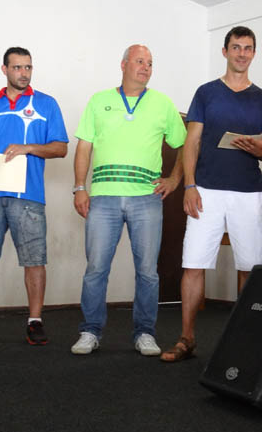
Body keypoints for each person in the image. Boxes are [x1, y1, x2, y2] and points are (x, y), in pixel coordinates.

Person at [161, 26, 262, 362]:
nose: (242, 53)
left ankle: (244, 344)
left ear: (254, 53)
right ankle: (187, 339)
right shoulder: (206, 92)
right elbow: (192, 142)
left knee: (250, 267)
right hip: (206, 191)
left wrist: (259, 148)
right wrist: (189, 186)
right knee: (193, 263)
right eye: (236, 47)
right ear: (225, 51)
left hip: (248, 193)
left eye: (248, 48)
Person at [70, 44, 186, 356]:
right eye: (139, 61)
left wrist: (175, 179)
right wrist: (79, 187)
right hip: (103, 197)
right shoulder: (99, 101)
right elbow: (84, 147)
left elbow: (185, 144)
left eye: (150, 63)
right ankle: (90, 331)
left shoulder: (163, 104)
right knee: (96, 268)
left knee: (148, 271)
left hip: (146, 199)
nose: (146, 67)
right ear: (123, 65)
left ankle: (145, 333)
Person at [0, 46, 68, 345]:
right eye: (17, 67)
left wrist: (28, 148)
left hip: (28, 196)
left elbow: (60, 148)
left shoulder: (46, 103)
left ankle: (35, 321)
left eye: (28, 67)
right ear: (4, 69)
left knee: (34, 260)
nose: (23, 73)